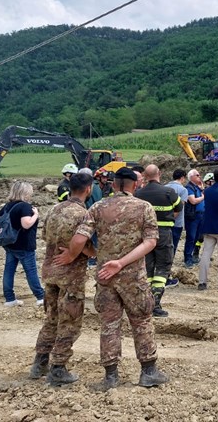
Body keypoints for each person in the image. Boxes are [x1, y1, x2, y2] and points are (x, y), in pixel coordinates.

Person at [55, 166, 168, 389]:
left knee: (109, 325)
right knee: (142, 322)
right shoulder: (144, 208)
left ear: (114, 184)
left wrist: (70, 255)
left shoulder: (97, 207)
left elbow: (79, 239)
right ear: (134, 185)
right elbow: (150, 242)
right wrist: (122, 263)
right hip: (133, 277)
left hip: (105, 276)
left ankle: (110, 376)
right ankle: (148, 372)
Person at [30, 172, 96, 386]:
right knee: (69, 322)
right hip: (71, 276)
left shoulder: (54, 209)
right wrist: (87, 253)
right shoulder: (83, 214)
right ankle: (58, 368)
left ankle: (39, 363)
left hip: (50, 272)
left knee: (51, 318)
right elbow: (83, 243)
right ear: (88, 189)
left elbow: (45, 237)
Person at [135, 164, 183, 317]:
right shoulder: (169, 192)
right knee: (163, 267)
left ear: (145, 176)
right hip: (163, 234)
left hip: (144, 236)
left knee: (147, 268)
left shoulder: (138, 193)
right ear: (159, 174)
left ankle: (145, 303)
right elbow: (179, 208)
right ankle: (155, 304)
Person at [0, 181, 45, 306]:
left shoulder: (7, 206)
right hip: (24, 245)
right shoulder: (24, 207)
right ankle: (41, 296)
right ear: (25, 192)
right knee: (30, 271)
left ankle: (9, 298)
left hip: (10, 243)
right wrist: (36, 215)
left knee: (9, 270)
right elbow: (26, 224)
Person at [165, 169, 190, 266]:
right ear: (182, 178)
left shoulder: (165, 187)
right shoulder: (183, 190)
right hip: (177, 222)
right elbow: (180, 207)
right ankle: (169, 265)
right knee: (173, 246)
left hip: (163, 221)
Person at [183, 169, 205, 268]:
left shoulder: (197, 187)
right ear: (191, 177)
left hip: (200, 215)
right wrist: (203, 197)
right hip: (193, 216)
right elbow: (193, 201)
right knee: (191, 237)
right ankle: (187, 258)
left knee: (196, 237)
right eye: (197, 175)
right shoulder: (189, 188)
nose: (199, 176)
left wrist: (201, 188)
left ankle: (191, 256)